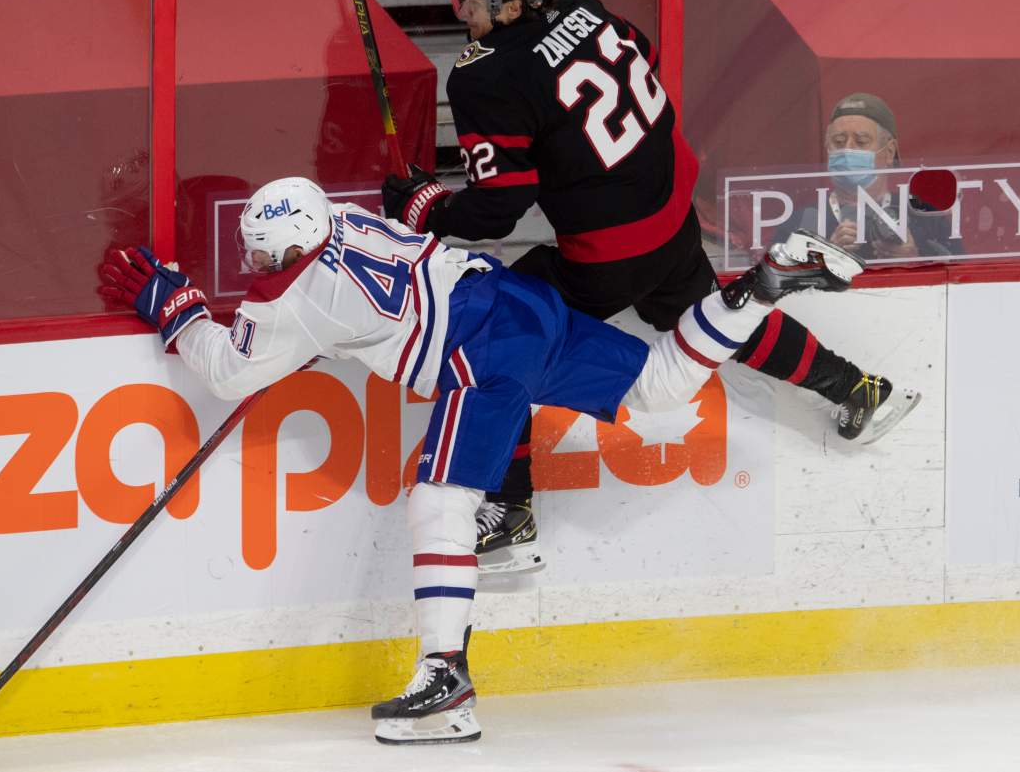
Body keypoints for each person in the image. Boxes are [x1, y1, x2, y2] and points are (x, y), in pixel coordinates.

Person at [99, 176, 864, 744]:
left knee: (440, 501)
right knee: (660, 382)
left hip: (477, 354)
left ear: (287, 247)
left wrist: (176, 308)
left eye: (263, 256)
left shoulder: (291, 297)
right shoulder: (343, 218)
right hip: (508, 299)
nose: (258, 267)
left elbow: (234, 368)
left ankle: (445, 679)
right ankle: (762, 287)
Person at [380, 0, 920, 575]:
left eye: (474, 0)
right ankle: (860, 389)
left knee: (498, 334)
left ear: (517, 4)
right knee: (710, 316)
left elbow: (499, 209)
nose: (459, 10)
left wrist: (425, 206)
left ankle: (511, 510)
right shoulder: (584, 5)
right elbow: (648, 59)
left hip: (607, 250)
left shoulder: (484, 75)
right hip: (668, 212)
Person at [815, 92, 958, 260]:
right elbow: (782, 278)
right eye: (838, 141)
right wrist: (827, 256)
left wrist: (915, 258)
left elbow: (961, 276)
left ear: (889, 151)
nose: (848, 150)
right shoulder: (802, 221)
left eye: (861, 142)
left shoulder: (926, 217)